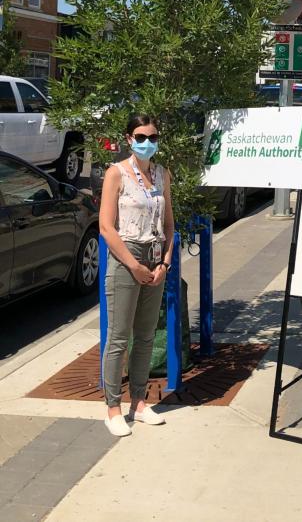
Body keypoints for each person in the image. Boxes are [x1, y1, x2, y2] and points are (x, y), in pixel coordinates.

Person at [99, 114, 175, 437]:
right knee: (119, 337)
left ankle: (139, 402)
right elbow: (106, 227)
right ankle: (113, 408)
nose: (147, 143)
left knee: (145, 335)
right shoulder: (116, 174)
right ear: (129, 139)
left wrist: (165, 262)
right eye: (141, 137)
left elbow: (169, 222)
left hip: (155, 257)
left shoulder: (162, 174)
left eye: (152, 137)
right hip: (126, 257)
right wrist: (133, 264)